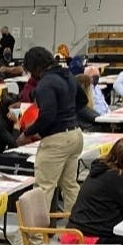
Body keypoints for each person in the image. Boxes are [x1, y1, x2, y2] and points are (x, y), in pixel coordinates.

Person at [18, 47, 83, 208]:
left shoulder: (45, 84)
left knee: (43, 188)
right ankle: (75, 227)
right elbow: (82, 100)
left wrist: (27, 133)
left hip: (57, 139)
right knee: (70, 185)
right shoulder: (68, 75)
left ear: (35, 68)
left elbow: (47, 116)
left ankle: (37, 234)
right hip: (75, 134)